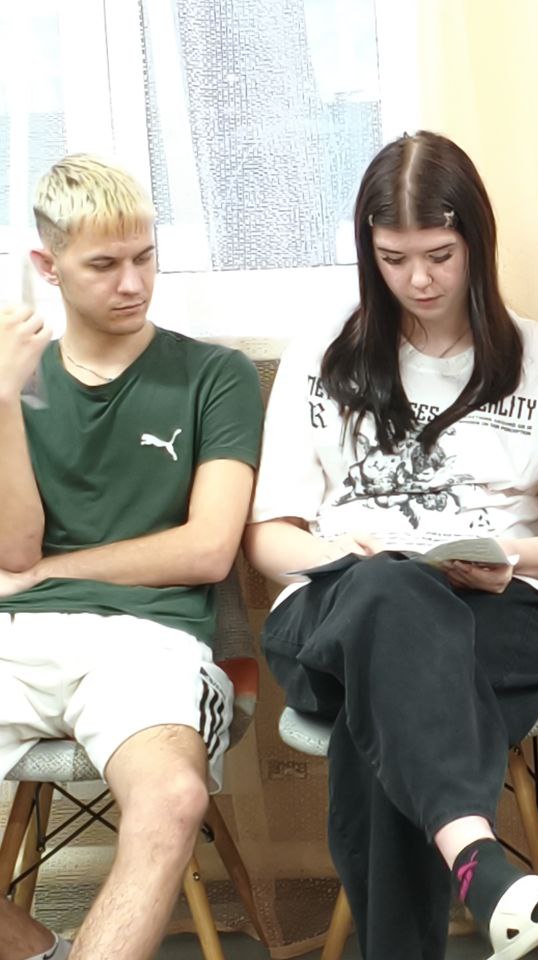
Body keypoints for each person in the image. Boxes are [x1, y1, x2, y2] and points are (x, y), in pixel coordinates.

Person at [242, 131, 538, 960]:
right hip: (331, 610)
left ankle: (476, 881)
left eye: (439, 256)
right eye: (394, 259)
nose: (419, 281)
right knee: (389, 593)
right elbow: (268, 540)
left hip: (496, 613)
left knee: (384, 703)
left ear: (477, 241)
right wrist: (346, 557)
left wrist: (508, 559)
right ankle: (483, 865)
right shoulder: (321, 353)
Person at [0, 155, 263, 960]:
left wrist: (56, 571)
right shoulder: (19, 380)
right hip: (16, 639)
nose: (132, 284)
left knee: (173, 797)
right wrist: (2, 403)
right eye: (104, 265)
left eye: (145, 258)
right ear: (48, 265)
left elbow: (208, 549)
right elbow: (14, 547)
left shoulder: (214, 374)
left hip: (149, 642)